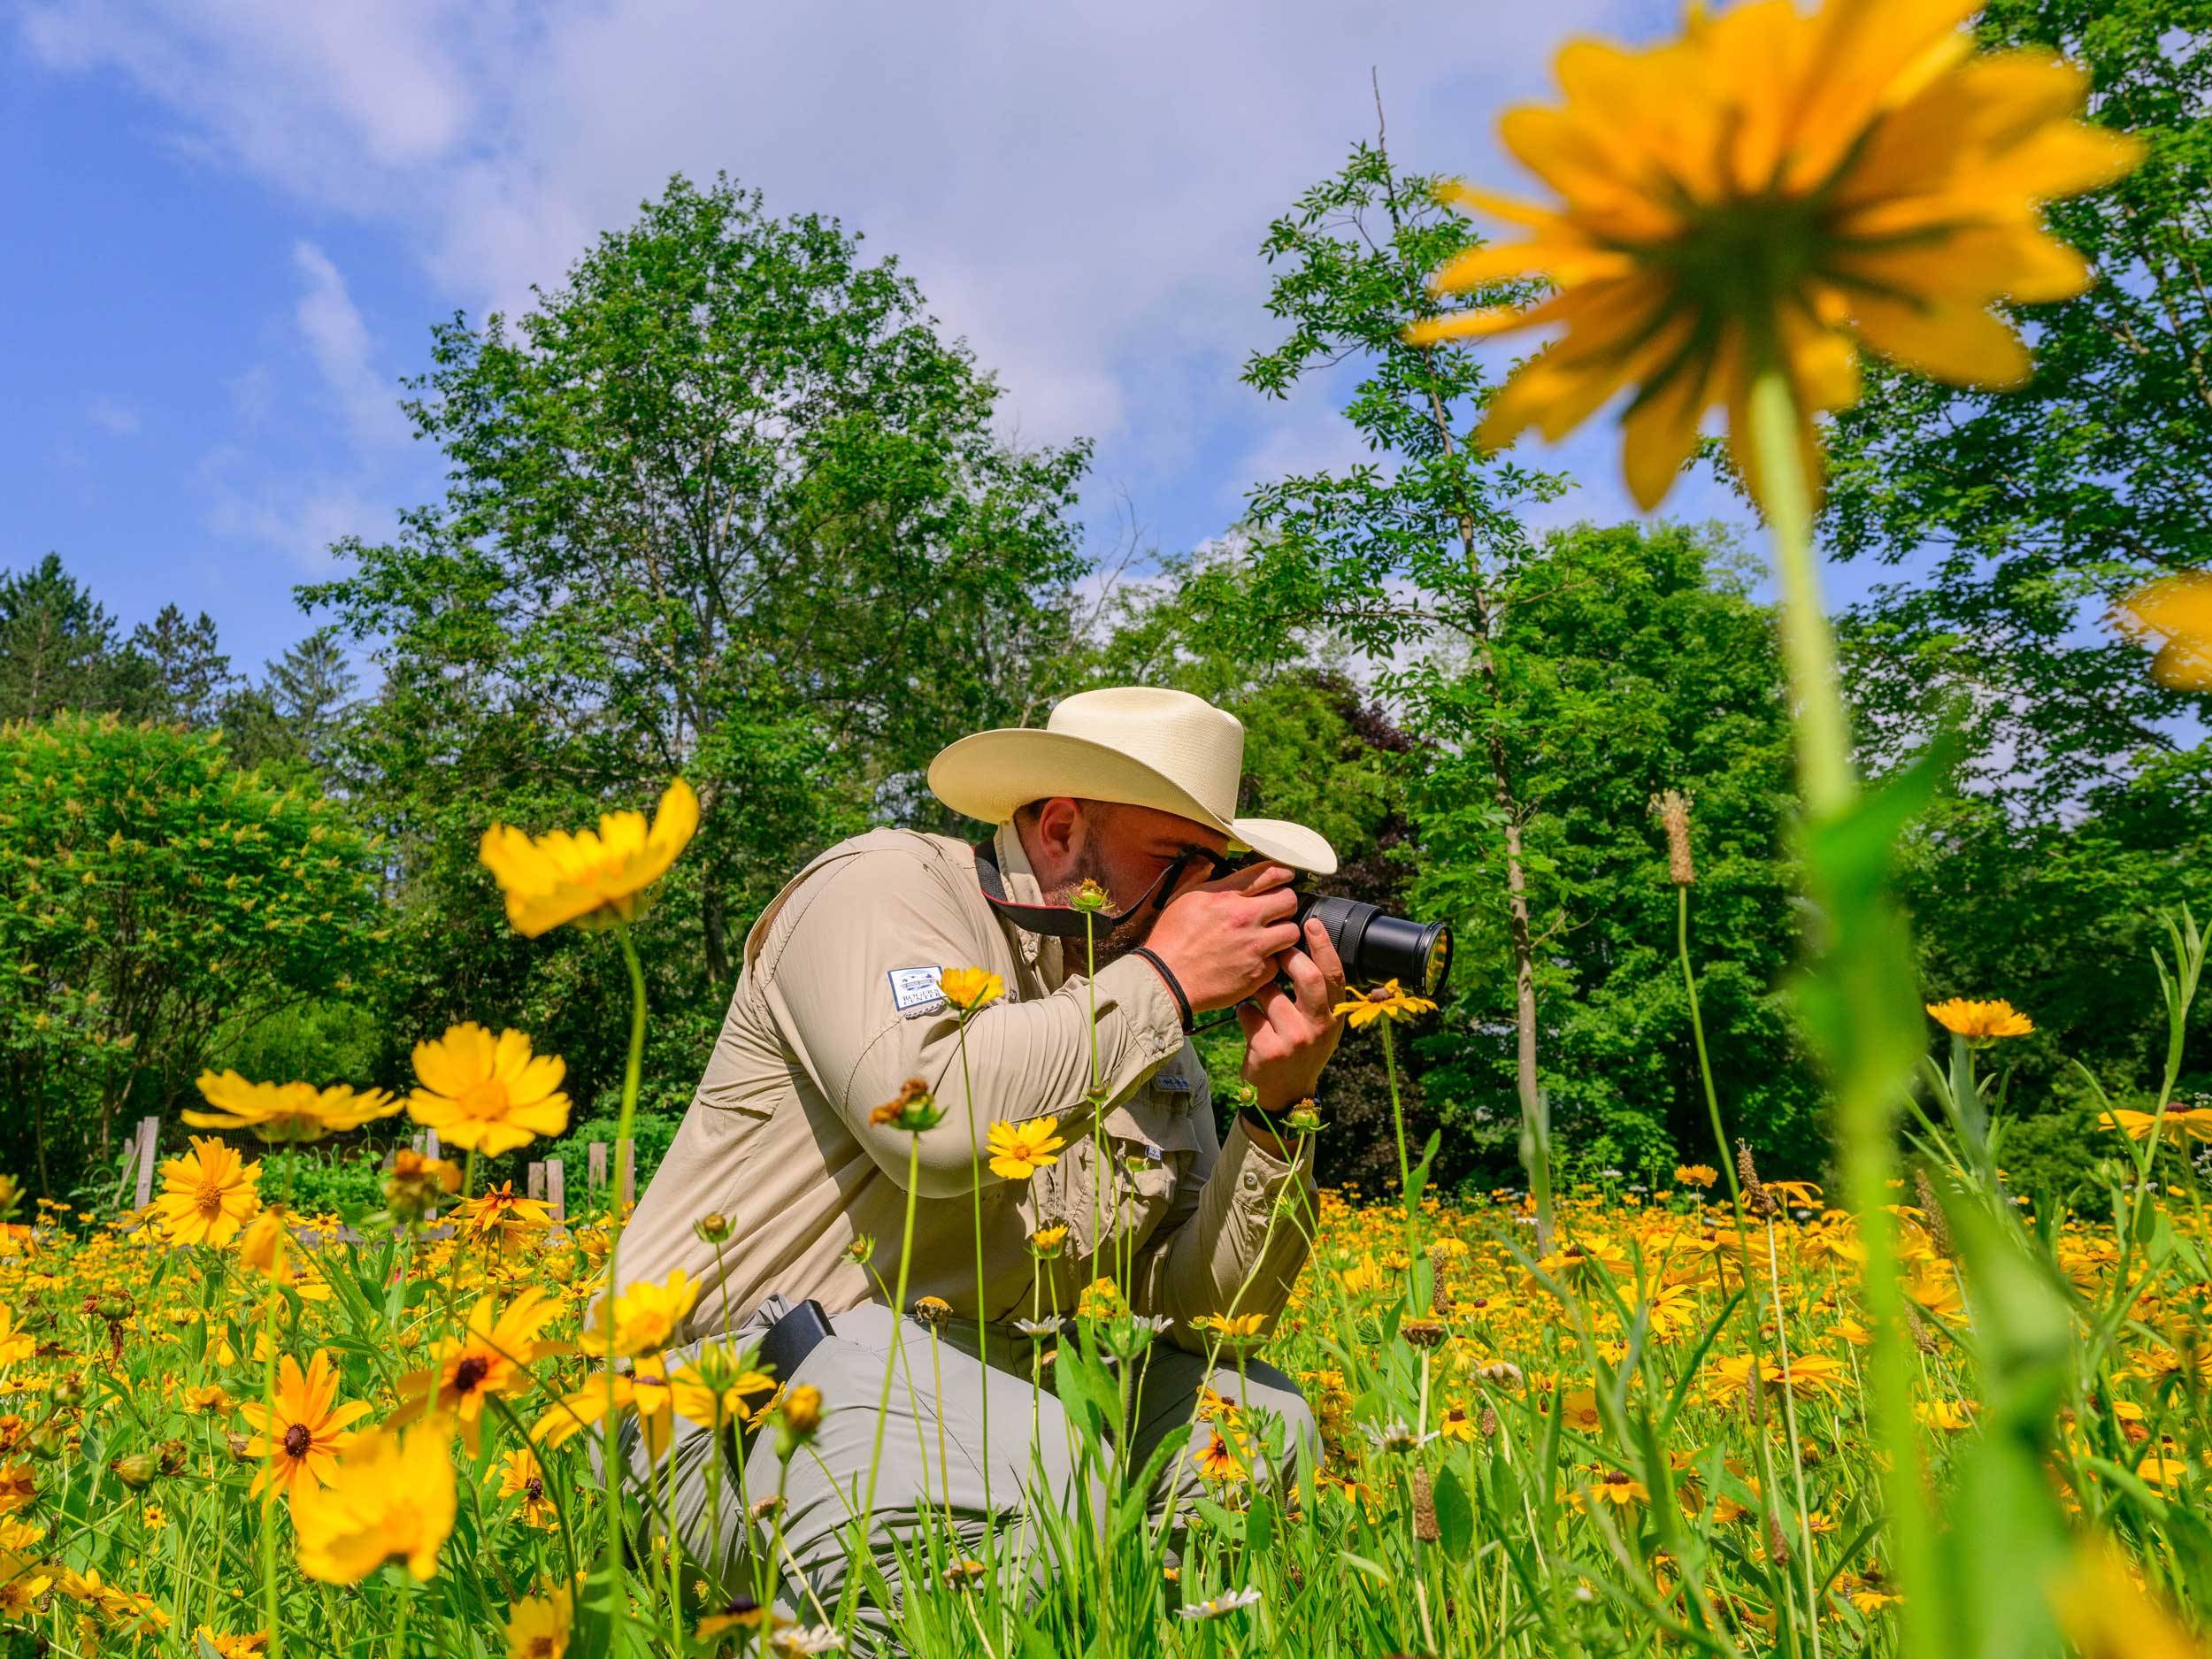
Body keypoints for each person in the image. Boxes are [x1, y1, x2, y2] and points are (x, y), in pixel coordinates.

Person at [610, 686, 1348, 1620]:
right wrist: (1163, 981)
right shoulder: (882, 889)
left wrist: (1281, 1109)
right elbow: (933, 1126)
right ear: (1059, 828)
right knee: (1028, 1454)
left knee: (1261, 1425)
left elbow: (1205, 1310)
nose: (1209, 898)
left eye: (1220, 865)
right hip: (721, 1391)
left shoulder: (1142, 1017)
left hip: (998, 1387)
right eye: (1179, 859)